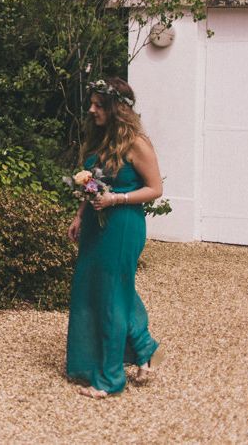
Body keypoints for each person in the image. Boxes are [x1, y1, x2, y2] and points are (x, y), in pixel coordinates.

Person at [66, 77, 164, 398]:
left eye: (99, 104)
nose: (92, 109)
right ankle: (144, 346)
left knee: (110, 295)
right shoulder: (99, 139)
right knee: (103, 288)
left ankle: (109, 379)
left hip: (122, 224)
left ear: (117, 108)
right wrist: (81, 215)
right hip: (96, 223)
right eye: (91, 103)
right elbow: (92, 182)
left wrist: (116, 199)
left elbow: (155, 189)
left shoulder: (136, 142)